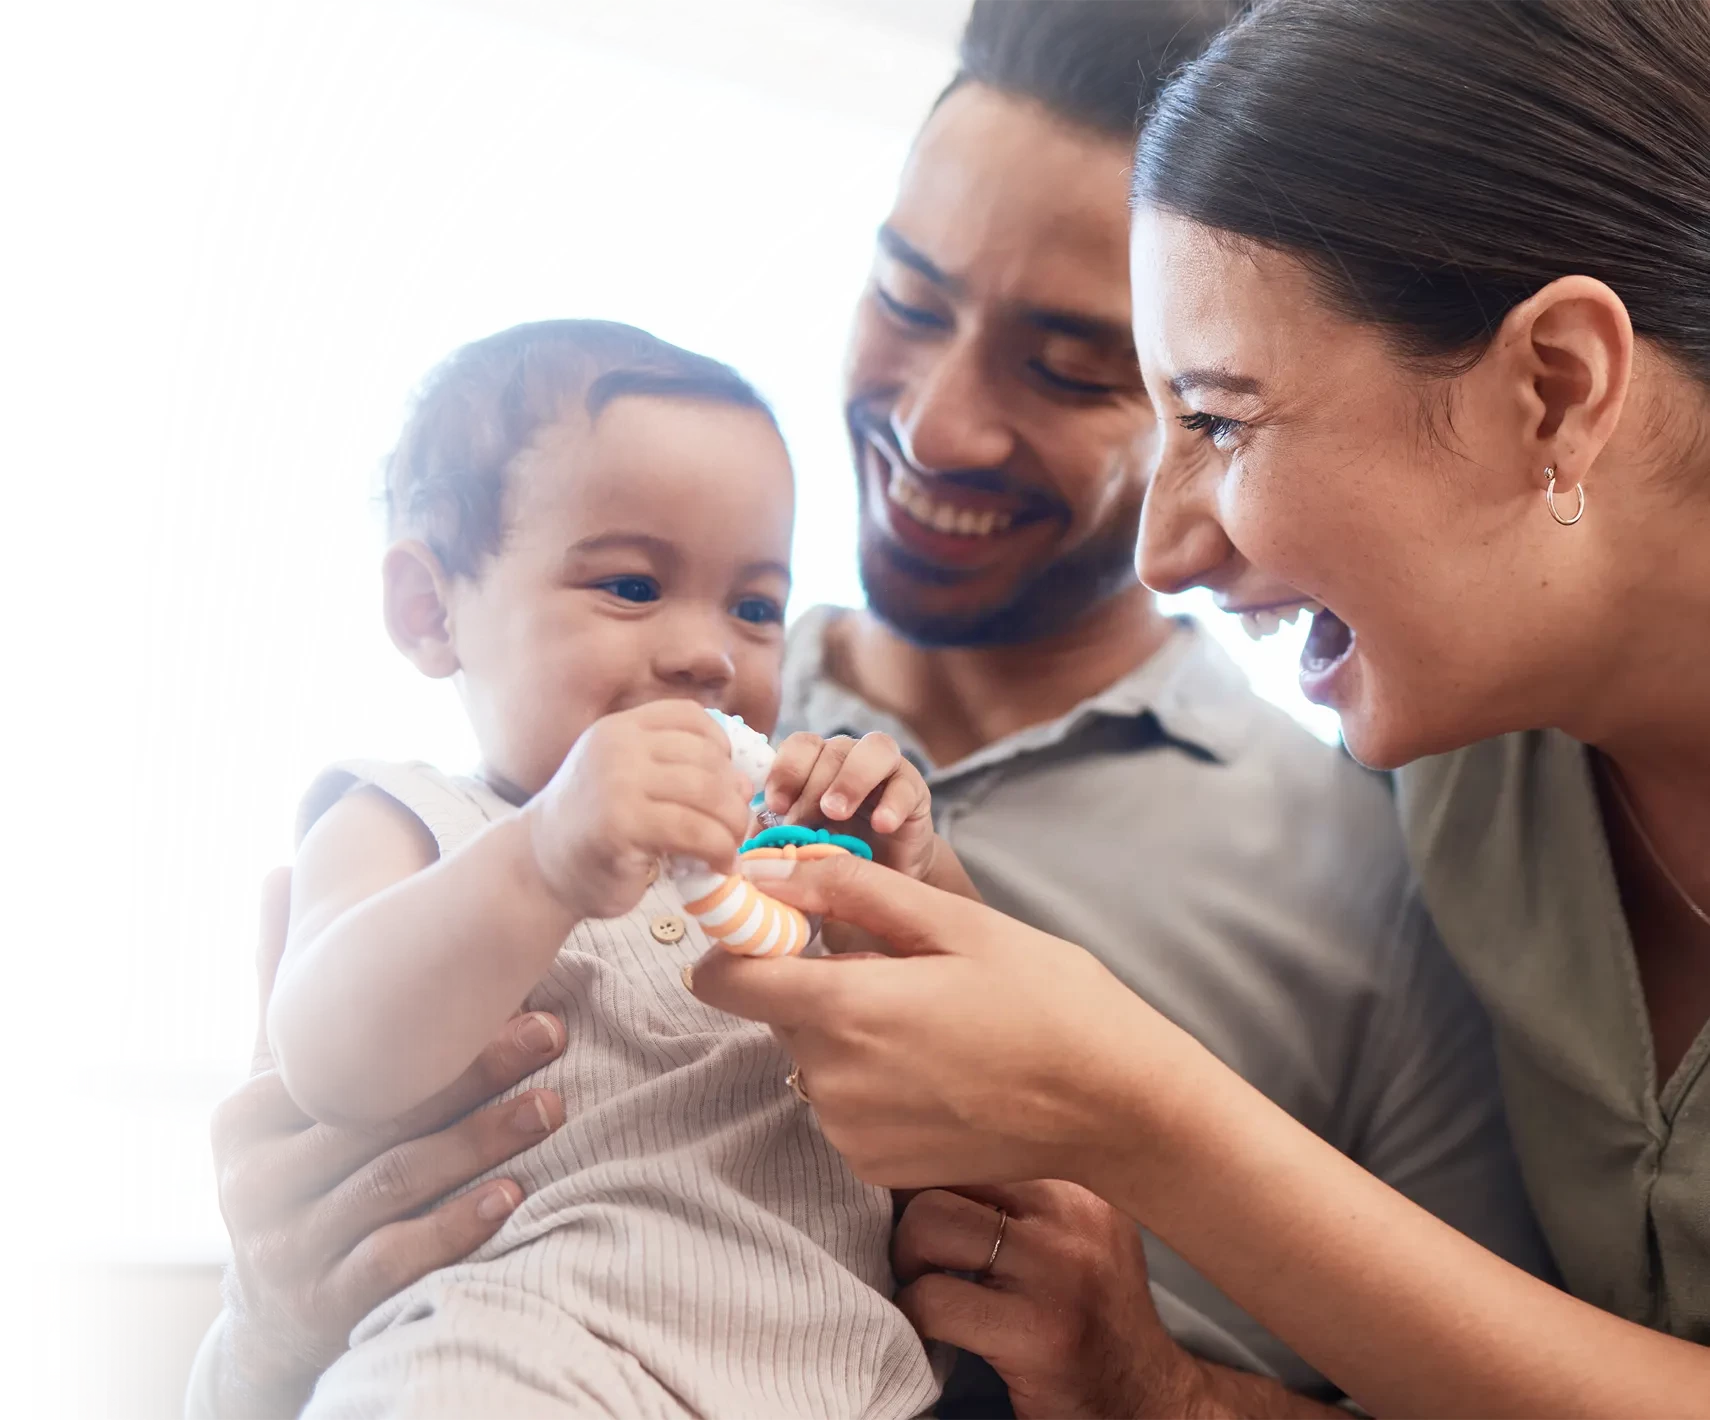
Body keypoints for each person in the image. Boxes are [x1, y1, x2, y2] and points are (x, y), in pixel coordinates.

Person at [186, 4, 1551, 1416]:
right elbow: (310, 1198)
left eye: (1070, 366)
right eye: (906, 301)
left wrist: (1149, 1383)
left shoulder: (1375, 869)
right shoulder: (577, 740)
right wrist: (267, 1342)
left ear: (1202, 401)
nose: (936, 427)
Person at [684, 0, 1710, 1416]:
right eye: (909, 300)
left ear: (1553, 388)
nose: (1164, 554)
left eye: (1219, 420)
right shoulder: (1466, 772)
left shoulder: (1373, 869)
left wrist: (1131, 1112)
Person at [252, 317, 974, 1419]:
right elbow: (330, 1059)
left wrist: (912, 878)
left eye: (756, 606)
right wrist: (540, 860)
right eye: (633, 586)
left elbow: (980, 1047)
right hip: (534, 1349)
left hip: (848, 1376)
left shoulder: (786, 847)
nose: (709, 652)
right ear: (429, 607)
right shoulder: (410, 819)